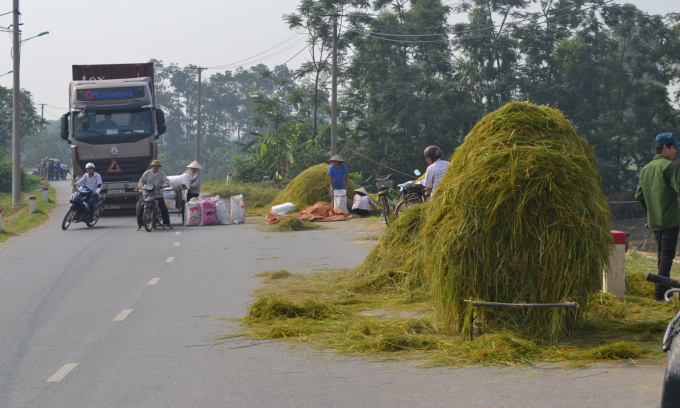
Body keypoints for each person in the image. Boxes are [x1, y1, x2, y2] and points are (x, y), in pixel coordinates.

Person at [635, 132, 680, 302]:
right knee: (667, 257)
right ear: (664, 148)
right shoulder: (670, 167)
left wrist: (651, 210)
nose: (675, 151)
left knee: (662, 256)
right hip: (670, 220)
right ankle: (659, 296)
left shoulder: (645, 169)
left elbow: (639, 195)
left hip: (654, 221)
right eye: (673, 147)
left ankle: (663, 292)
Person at [136, 159, 173, 231]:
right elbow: (141, 180)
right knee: (141, 207)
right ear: (152, 166)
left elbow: (167, 181)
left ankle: (168, 223)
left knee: (163, 207)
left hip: (157, 193)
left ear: (159, 167)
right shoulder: (147, 173)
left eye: (157, 166)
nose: (155, 167)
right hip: (147, 193)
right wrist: (140, 185)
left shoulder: (162, 174)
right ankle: (139, 224)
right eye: (154, 166)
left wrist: (165, 185)